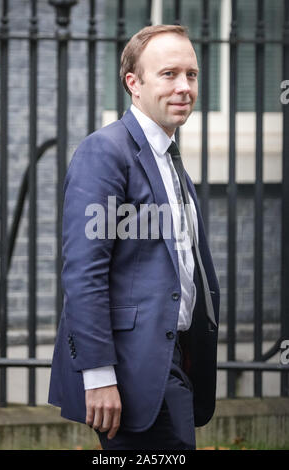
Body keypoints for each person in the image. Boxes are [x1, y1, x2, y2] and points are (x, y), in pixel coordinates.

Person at [48, 24, 220, 451]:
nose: (184, 87)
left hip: (174, 358)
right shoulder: (106, 151)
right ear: (133, 83)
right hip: (132, 369)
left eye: (192, 75)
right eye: (169, 74)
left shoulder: (168, 155)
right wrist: (99, 374)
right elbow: (84, 272)